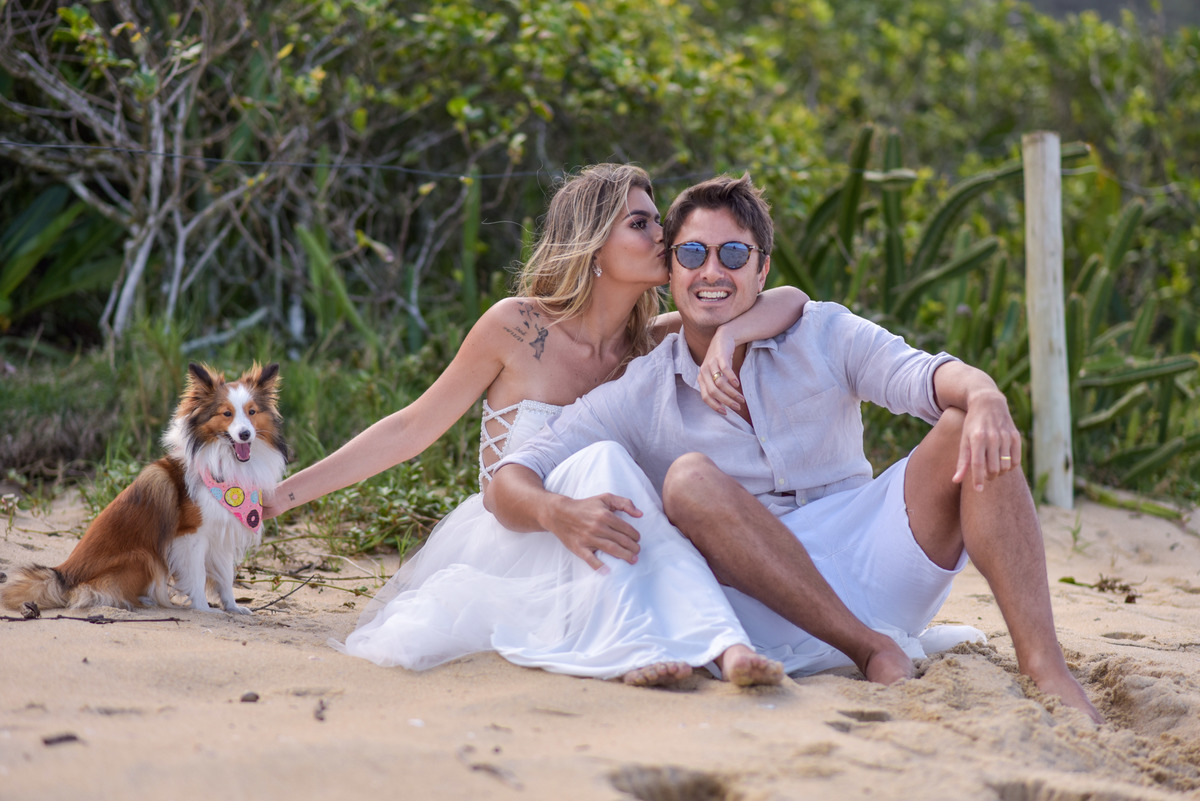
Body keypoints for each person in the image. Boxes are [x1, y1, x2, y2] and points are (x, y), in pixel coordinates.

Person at [487, 174, 1103, 723]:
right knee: (689, 480)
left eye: (733, 254)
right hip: (769, 594)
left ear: (762, 268)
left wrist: (988, 395)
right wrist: (554, 512)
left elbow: (925, 377)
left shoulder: (824, 331)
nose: (712, 272)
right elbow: (516, 472)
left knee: (963, 423)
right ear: (671, 269)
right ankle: (868, 648)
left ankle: (1045, 667)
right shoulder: (641, 389)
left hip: (877, 552)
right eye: (693, 254)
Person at [264, 164, 803, 687]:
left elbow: (790, 300)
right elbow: (411, 429)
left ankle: (665, 641)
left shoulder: (655, 342)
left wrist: (730, 339)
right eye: (640, 224)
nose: (663, 235)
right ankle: (634, 645)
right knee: (604, 463)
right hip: (517, 537)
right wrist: (278, 498)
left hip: (607, 544)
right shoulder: (517, 325)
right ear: (592, 244)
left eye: (657, 220)